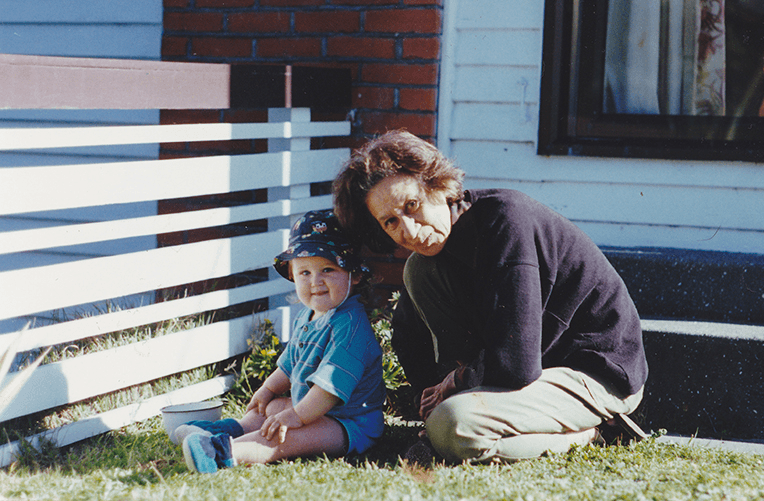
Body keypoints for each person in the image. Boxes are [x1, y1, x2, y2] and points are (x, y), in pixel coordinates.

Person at [333, 130, 648, 463]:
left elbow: (516, 364)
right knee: (418, 270)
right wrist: (429, 399)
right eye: (390, 222)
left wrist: (457, 383)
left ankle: (592, 433)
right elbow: (409, 340)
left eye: (413, 205)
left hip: (596, 372)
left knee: (453, 426)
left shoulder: (505, 220)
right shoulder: (430, 260)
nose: (409, 231)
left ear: (437, 185)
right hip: (536, 368)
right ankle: (465, 418)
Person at [176, 210, 385, 473]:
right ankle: (229, 429)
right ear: (292, 276)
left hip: (348, 423)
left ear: (353, 275)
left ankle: (221, 452)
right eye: (304, 273)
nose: (315, 282)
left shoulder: (351, 328)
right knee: (273, 407)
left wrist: (296, 417)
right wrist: (267, 389)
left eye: (328, 269)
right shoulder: (308, 316)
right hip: (315, 409)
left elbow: (329, 391)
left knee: (286, 436)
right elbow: (289, 366)